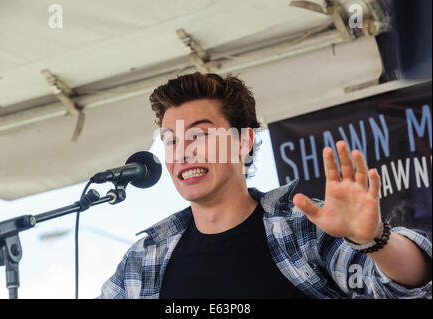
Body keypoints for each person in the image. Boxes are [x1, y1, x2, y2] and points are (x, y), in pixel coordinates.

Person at [99, 72, 432, 299]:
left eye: (199, 135)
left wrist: (375, 240)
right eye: (170, 141)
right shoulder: (143, 260)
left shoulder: (304, 230)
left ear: (244, 141)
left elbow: (406, 288)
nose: (183, 152)